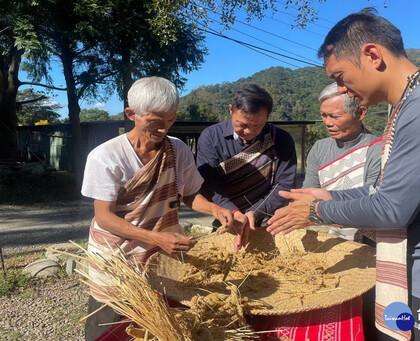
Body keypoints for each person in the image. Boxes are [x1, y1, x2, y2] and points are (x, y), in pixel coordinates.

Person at [267, 8, 420, 341]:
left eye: (340, 76)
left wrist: (315, 211)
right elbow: (387, 189)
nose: (341, 90)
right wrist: (331, 196)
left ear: (372, 55)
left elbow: (393, 207)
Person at [81, 77, 239, 341]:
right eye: (154, 121)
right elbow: (104, 217)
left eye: (170, 120)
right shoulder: (105, 156)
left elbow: (189, 194)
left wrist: (214, 209)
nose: (163, 129)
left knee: (159, 325)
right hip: (116, 258)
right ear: (131, 114)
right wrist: (155, 238)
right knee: (109, 326)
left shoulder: (177, 150)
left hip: (160, 255)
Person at [196, 83, 297, 231]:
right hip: (225, 217)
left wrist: (254, 213)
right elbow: (209, 184)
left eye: (257, 126)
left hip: (266, 220)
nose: (249, 132)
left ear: (267, 117)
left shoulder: (280, 139)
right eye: (242, 124)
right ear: (231, 110)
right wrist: (234, 212)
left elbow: (284, 185)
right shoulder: (211, 137)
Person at [303, 82, 381, 241]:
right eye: (324, 115)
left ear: (360, 113)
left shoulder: (378, 149)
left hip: (365, 241)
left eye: (335, 116)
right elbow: (309, 192)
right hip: (327, 237)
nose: (327, 122)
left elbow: (372, 200)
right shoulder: (319, 148)